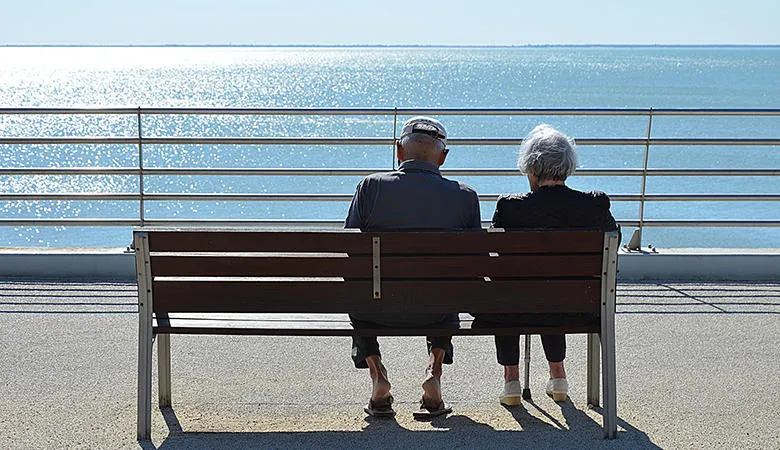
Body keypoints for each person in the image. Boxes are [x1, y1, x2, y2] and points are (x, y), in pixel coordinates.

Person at [345, 116, 481, 419]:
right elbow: (474, 266)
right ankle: (434, 372)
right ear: (443, 157)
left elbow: (350, 255)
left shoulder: (370, 187)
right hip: (436, 310)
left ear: (399, 152)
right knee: (449, 292)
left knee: (358, 291)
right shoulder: (465, 196)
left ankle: (377, 374)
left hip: (375, 309)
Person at [479, 124, 618, 406]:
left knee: (509, 295)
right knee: (553, 292)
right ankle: (558, 376)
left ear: (531, 169)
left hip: (517, 309)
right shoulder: (595, 205)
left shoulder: (510, 207)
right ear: (568, 168)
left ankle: (511, 381)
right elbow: (612, 251)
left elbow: (494, 261)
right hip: (579, 306)